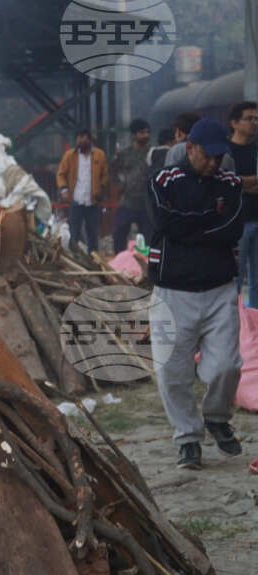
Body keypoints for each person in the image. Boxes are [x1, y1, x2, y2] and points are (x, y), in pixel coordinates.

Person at [147, 118, 245, 470]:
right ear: (190, 148)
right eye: (208, 155)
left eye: (221, 156)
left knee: (226, 366)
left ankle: (217, 416)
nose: (215, 163)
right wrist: (208, 223)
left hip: (219, 288)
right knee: (172, 373)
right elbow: (164, 223)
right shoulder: (163, 180)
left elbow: (232, 227)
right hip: (171, 292)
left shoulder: (230, 183)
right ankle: (188, 438)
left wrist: (191, 224)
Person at [56, 129, 108, 253]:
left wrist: (101, 188)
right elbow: (61, 174)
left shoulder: (99, 155)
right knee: (74, 233)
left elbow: (105, 175)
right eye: (79, 137)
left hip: (92, 201)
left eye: (84, 138)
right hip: (76, 200)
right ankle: (74, 260)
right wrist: (64, 189)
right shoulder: (70, 156)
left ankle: (93, 262)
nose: (81, 141)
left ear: (90, 140)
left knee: (93, 234)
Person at [228, 102, 258, 307]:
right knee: (235, 276)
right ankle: (236, 322)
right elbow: (224, 182)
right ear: (235, 123)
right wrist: (244, 184)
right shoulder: (226, 151)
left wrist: (241, 182)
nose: (255, 123)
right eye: (250, 118)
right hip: (237, 221)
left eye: (257, 119)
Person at [112, 118, 153, 252]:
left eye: (147, 132)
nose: (146, 135)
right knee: (119, 232)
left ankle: (147, 265)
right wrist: (119, 185)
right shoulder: (124, 154)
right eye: (142, 132)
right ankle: (119, 262)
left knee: (149, 238)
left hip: (146, 203)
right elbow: (113, 171)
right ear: (133, 135)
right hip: (128, 201)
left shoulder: (153, 153)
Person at [165, 112, 235, 172]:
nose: (213, 164)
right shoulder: (225, 153)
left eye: (218, 157)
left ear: (179, 132)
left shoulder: (176, 150)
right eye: (206, 156)